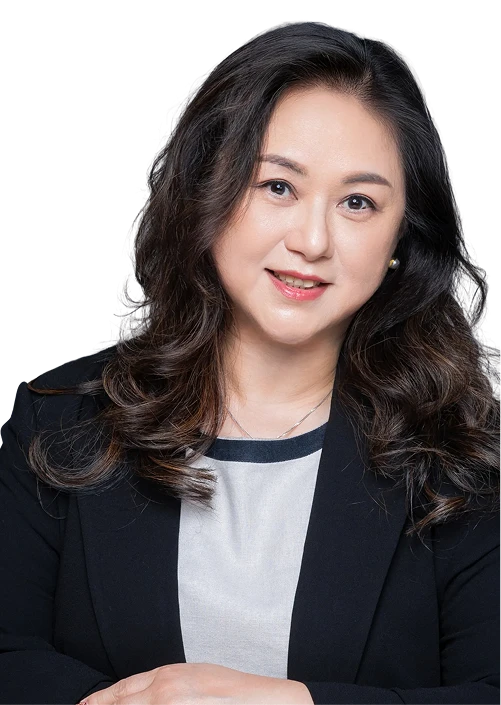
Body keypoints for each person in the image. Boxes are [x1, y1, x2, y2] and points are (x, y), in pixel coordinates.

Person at [1, 19, 500, 705]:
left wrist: (288, 703)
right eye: (278, 186)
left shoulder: (463, 454)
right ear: (207, 189)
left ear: (400, 238)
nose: (312, 240)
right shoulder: (57, 422)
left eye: (357, 202)